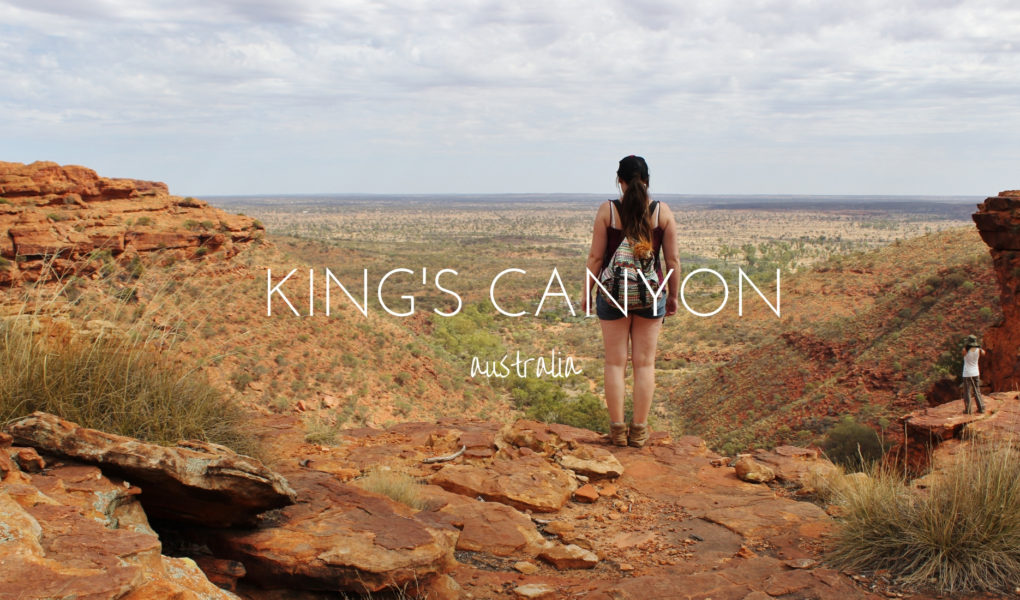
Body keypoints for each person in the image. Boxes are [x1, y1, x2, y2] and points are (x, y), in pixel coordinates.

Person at [583, 155, 680, 448]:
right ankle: (638, 431)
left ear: (620, 181)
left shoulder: (608, 212)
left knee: (614, 364)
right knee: (644, 364)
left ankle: (617, 432)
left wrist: (587, 292)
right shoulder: (662, 213)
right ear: (647, 181)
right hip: (652, 297)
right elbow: (672, 260)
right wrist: (672, 295)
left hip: (612, 296)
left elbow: (596, 258)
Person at [962, 334, 986, 414]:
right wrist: (979, 347)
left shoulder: (965, 350)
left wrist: (967, 347)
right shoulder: (979, 350)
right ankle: (981, 408)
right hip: (976, 372)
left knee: (967, 392)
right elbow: (984, 353)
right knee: (977, 391)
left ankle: (968, 410)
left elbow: (963, 354)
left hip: (967, 373)